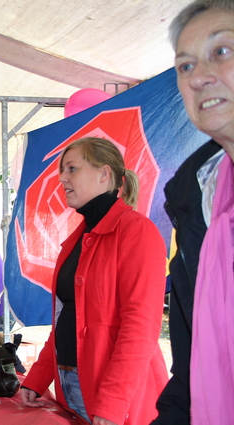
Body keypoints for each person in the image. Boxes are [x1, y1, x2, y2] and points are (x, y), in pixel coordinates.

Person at [20, 137, 168, 425]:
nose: (62, 178)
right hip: (71, 383)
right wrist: (38, 377)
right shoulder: (78, 239)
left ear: (104, 174)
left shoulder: (137, 232)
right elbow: (67, 318)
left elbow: (140, 328)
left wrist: (113, 403)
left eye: (72, 168)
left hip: (115, 395)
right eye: (62, 170)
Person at [152, 2, 234, 424]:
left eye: (222, 51)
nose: (199, 76)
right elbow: (192, 353)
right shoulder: (194, 197)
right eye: (185, 66)